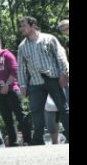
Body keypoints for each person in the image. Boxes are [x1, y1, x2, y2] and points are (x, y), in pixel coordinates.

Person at [17, 16, 69, 145]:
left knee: (63, 108)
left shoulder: (49, 38)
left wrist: (64, 74)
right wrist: (22, 85)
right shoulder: (22, 46)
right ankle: (38, 140)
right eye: (21, 26)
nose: (21, 28)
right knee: (36, 111)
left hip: (53, 78)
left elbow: (61, 56)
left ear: (33, 25)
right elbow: (21, 67)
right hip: (35, 82)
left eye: (24, 25)